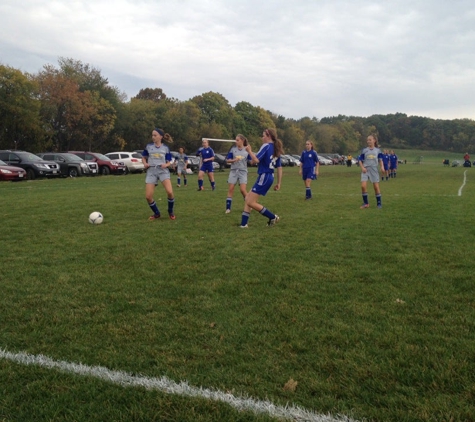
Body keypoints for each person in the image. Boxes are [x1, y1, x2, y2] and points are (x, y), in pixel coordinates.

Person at [240, 128, 283, 228]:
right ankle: (243, 224)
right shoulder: (275, 148)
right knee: (248, 198)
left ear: (269, 136)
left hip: (264, 176)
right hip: (268, 177)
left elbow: (256, 160)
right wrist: (279, 183)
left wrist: (249, 151)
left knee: (250, 202)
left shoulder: (266, 146)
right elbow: (279, 168)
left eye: (263, 135)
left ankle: (272, 217)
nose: (262, 137)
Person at [142, 128, 176, 220]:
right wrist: (145, 163)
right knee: (148, 197)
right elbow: (144, 157)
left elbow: (170, 161)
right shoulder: (149, 146)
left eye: (155, 135)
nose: (153, 137)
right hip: (151, 171)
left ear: (160, 137)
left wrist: (166, 164)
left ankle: (170, 211)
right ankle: (156, 213)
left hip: (163, 171)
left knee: (169, 192)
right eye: (152, 135)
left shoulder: (165, 148)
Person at [225, 134, 250, 213]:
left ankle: (249, 204)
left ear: (242, 141)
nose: (236, 142)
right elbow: (227, 160)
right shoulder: (233, 149)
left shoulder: (246, 150)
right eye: (235, 140)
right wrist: (233, 160)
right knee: (231, 188)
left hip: (243, 171)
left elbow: (251, 160)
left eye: (237, 140)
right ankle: (228, 208)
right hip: (233, 171)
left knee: (242, 190)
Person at [358, 134, 384, 209]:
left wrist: (382, 167)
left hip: (374, 169)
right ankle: (366, 203)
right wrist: (362, 167)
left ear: (374, 140)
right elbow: (360, 160)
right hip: (365, 169)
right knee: (363, 186)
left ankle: (379, 203)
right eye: (367, 140)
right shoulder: (364, 150)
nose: (368, 141)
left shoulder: (378, 150)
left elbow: (380, 160)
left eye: (370, 140)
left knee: (376, 187)